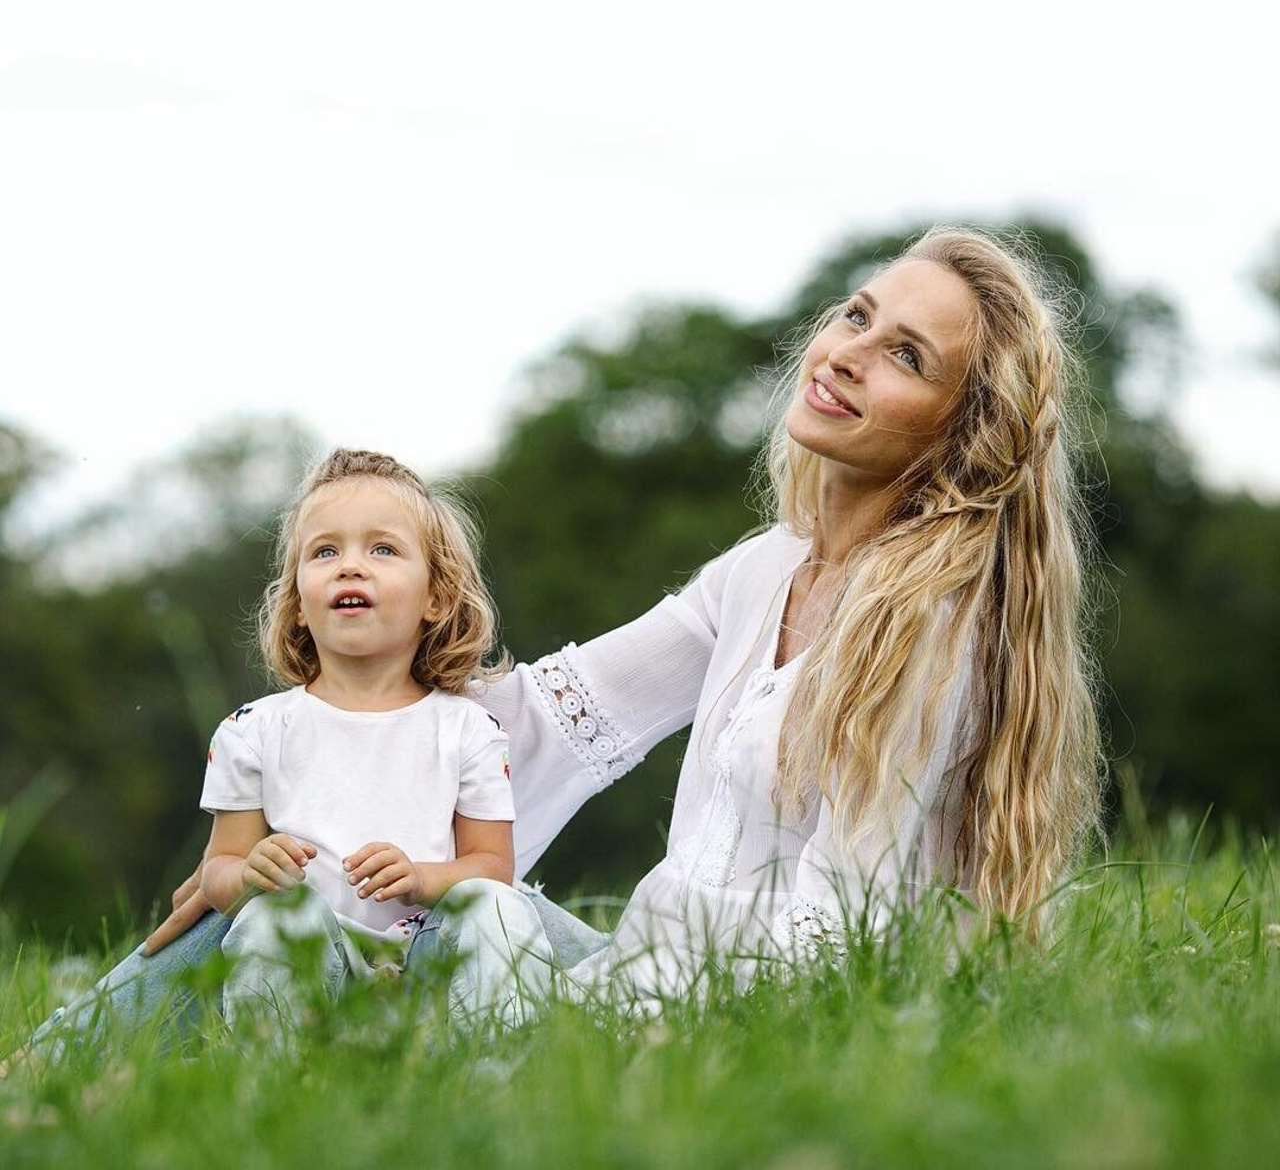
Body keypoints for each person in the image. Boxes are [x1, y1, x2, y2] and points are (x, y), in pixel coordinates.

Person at [22, 225, 1103, 1037]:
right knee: (287, 895)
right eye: (857, 315)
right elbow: (559, 712)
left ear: (961, 432)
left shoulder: (924, 628)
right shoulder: (768, 568)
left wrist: (632, 1044)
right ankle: (47, 1075)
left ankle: (47, 1082)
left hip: (701, 1022)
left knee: (347, 924)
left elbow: (841, 932)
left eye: (906, 355)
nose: (847, 351)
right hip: (633, 966)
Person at [25, 449, 554, 1057]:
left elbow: (492, 866)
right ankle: (278, 1077)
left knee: (496, 910)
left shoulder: (467, 729)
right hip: (311, 960)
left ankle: (491, 1069)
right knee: (273, 916)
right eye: (325, 552)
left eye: (382, 549)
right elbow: (218, 869)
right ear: (299, 603)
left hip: (427, 962)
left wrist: (422, 877)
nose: (350, 566)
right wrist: (249, 876)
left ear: (435, 596)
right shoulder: (255, 729)